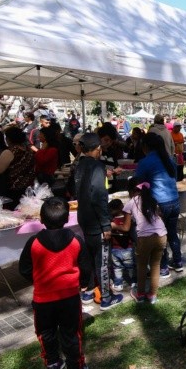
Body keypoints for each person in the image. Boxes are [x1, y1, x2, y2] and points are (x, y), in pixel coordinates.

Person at [18, 198, 90, 369]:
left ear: (41, 219)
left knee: (46, 333)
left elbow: (24, 268)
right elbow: (85, 266)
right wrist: (83, 283)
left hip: (43, 299)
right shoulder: (76, 241)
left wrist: (38, 281)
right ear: (67, 218)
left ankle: (53, 364)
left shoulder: (33, 243)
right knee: (71, 334)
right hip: (69, 298)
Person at [73, 133, 123, 310]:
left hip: (84, 219)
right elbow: (99, 197)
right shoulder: (97, 167)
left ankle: (87, 291)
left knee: (90, 256)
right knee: (102, 260)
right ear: (97, 150)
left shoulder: (79, 165)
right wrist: (105, 224)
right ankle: (106, 298)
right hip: (96, 221)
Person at [113, 179, 167, 304]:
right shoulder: (152, 199)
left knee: (142, 266)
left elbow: (126, 228)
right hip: (162, 235)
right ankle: (152, 295)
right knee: (155, 265)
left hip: (145, 238)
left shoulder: (131, 203)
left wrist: (114, 226)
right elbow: (159, 216)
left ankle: (140, 294)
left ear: (131, 191)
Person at [134, 133, 181, 275]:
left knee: (160, 236)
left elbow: (138, 183)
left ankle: (164, 267)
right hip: (174, 202)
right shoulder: (169, 159)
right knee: (172, 233)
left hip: (160, 205)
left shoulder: (145, 162)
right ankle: (178, 262)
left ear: (146, 146)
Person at [0, 127, 36, 205]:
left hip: (13, 188)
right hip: (28, 187)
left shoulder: (10, 152)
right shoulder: (28, 150)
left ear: (8, 139)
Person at [107, 199, 135, 293]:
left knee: (117, 268)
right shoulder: (127, 219)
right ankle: (133, 282)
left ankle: (118, 284)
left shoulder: (111, 221)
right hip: (128, 248)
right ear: (121, 207)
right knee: (130, 267)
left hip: (115, 249)